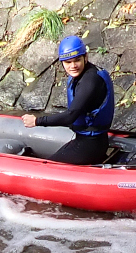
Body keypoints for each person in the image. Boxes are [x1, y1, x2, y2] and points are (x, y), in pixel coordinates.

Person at [21, 35, 115, 165]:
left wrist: (37, 121)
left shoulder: (90, 80)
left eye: (77, 60)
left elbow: (70, 116)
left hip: (91, 145)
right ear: (62, 63)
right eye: (68, 62)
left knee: (47, 168)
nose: (73, 66)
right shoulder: (81, 76)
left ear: (85, 57)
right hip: (85, 140)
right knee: (49, 161)